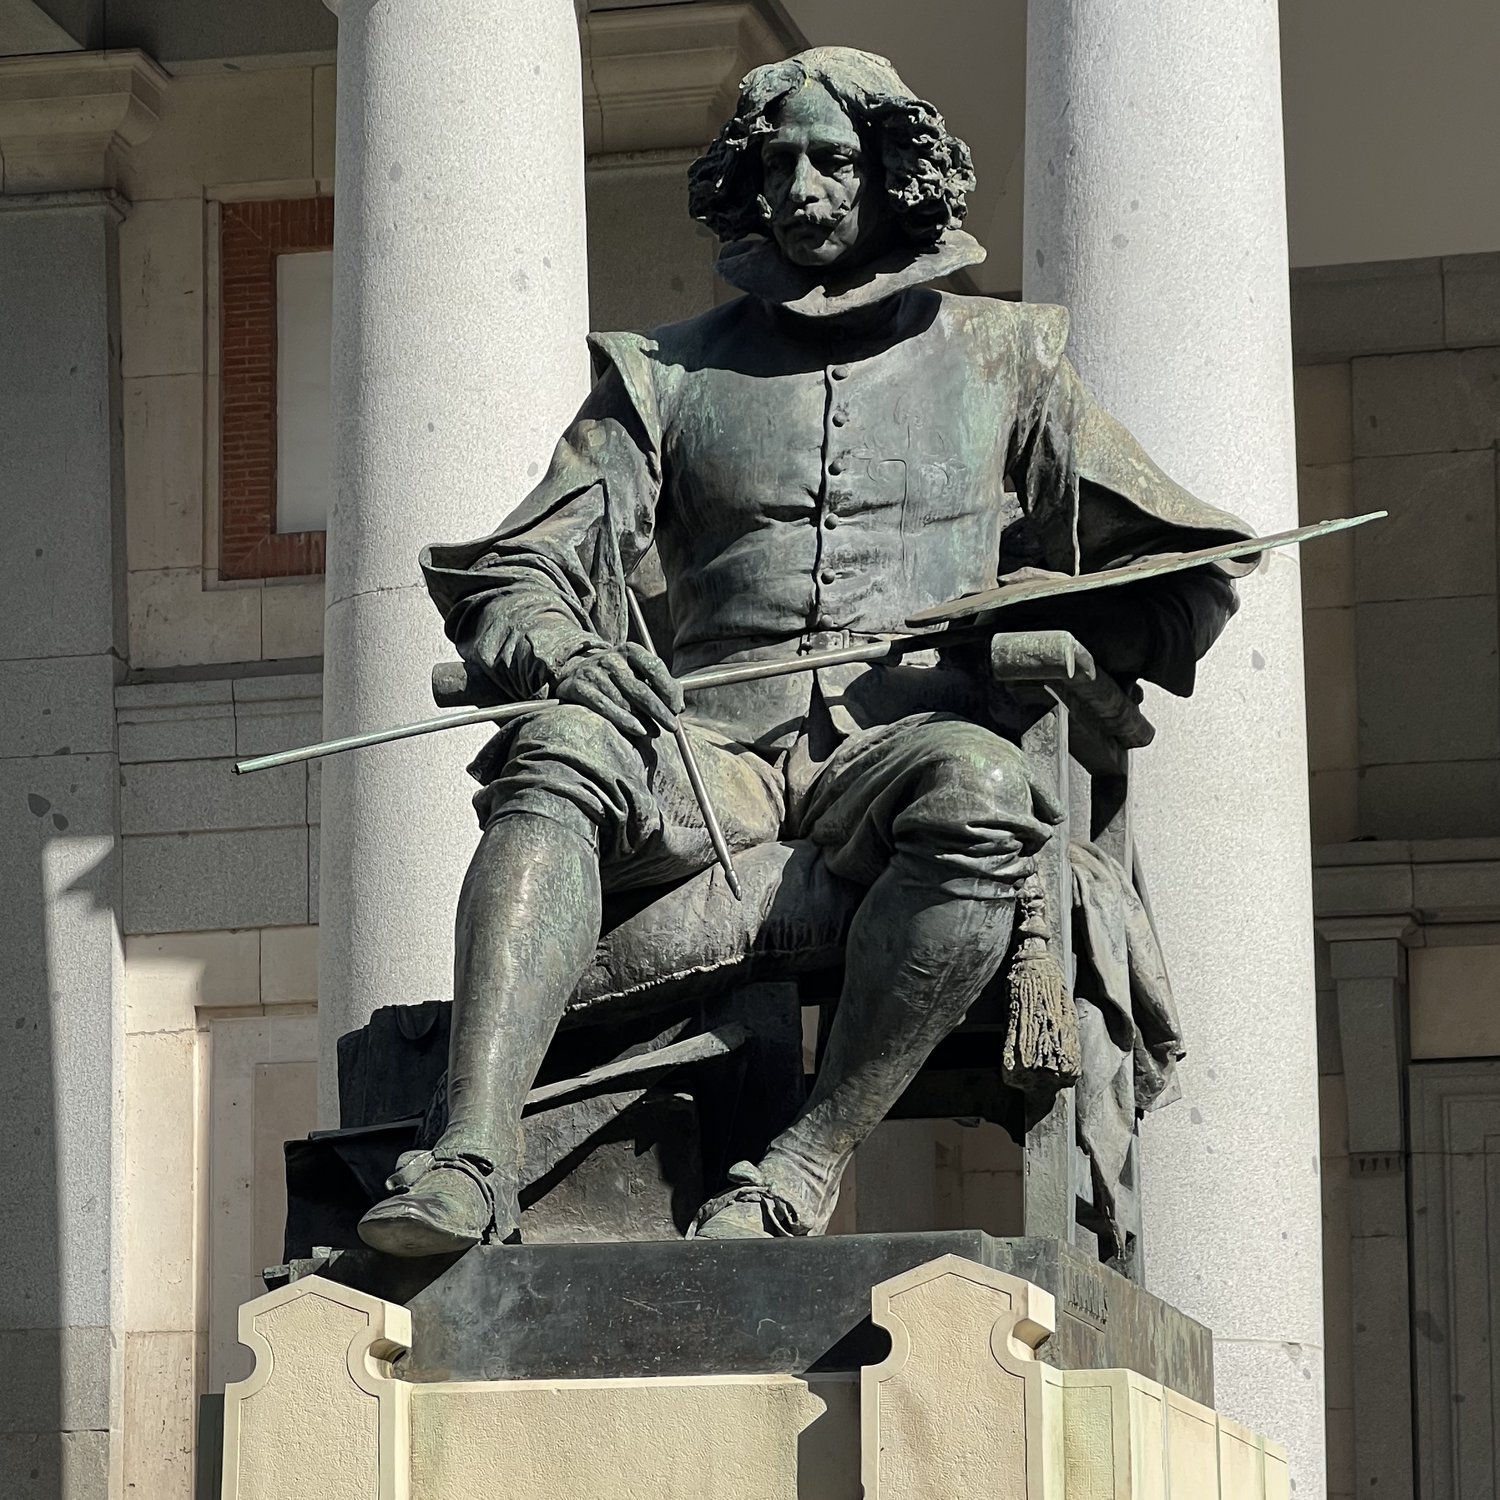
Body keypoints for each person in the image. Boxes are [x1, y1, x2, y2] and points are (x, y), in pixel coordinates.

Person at [357, 46, 1249, 1258]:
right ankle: (468, 1157)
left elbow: (1185, 577)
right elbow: (517, 570)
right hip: (706, 752)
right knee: (560, 749)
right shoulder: (661, 374)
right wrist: (564, 651)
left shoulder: (1014, 360)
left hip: (906, 745)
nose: (803, 189)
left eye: (833, 159)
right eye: (776, 163)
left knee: (987, 795)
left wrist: (1048, 607)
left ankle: (802, 1164)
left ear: (893, 174)